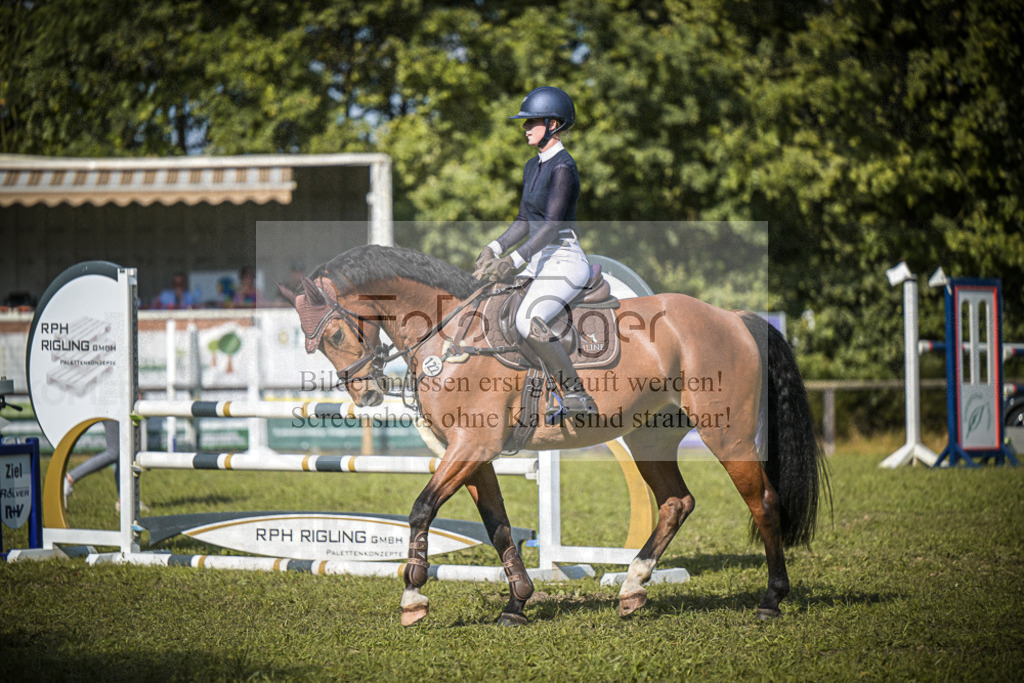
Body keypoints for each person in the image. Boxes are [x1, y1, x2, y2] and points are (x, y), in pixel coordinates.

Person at [473, 86, 598, 418]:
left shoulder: (563, 168)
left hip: (565, 259)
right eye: (525, 123)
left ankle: (576, 395)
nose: (525, 128)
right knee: (495, 308)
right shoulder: (532, 166)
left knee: (529, 320)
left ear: (554, 124)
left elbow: (552, 225)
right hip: (539, 259)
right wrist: (493, 248)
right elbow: (524, 220)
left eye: (532, 122)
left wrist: (513, 260)